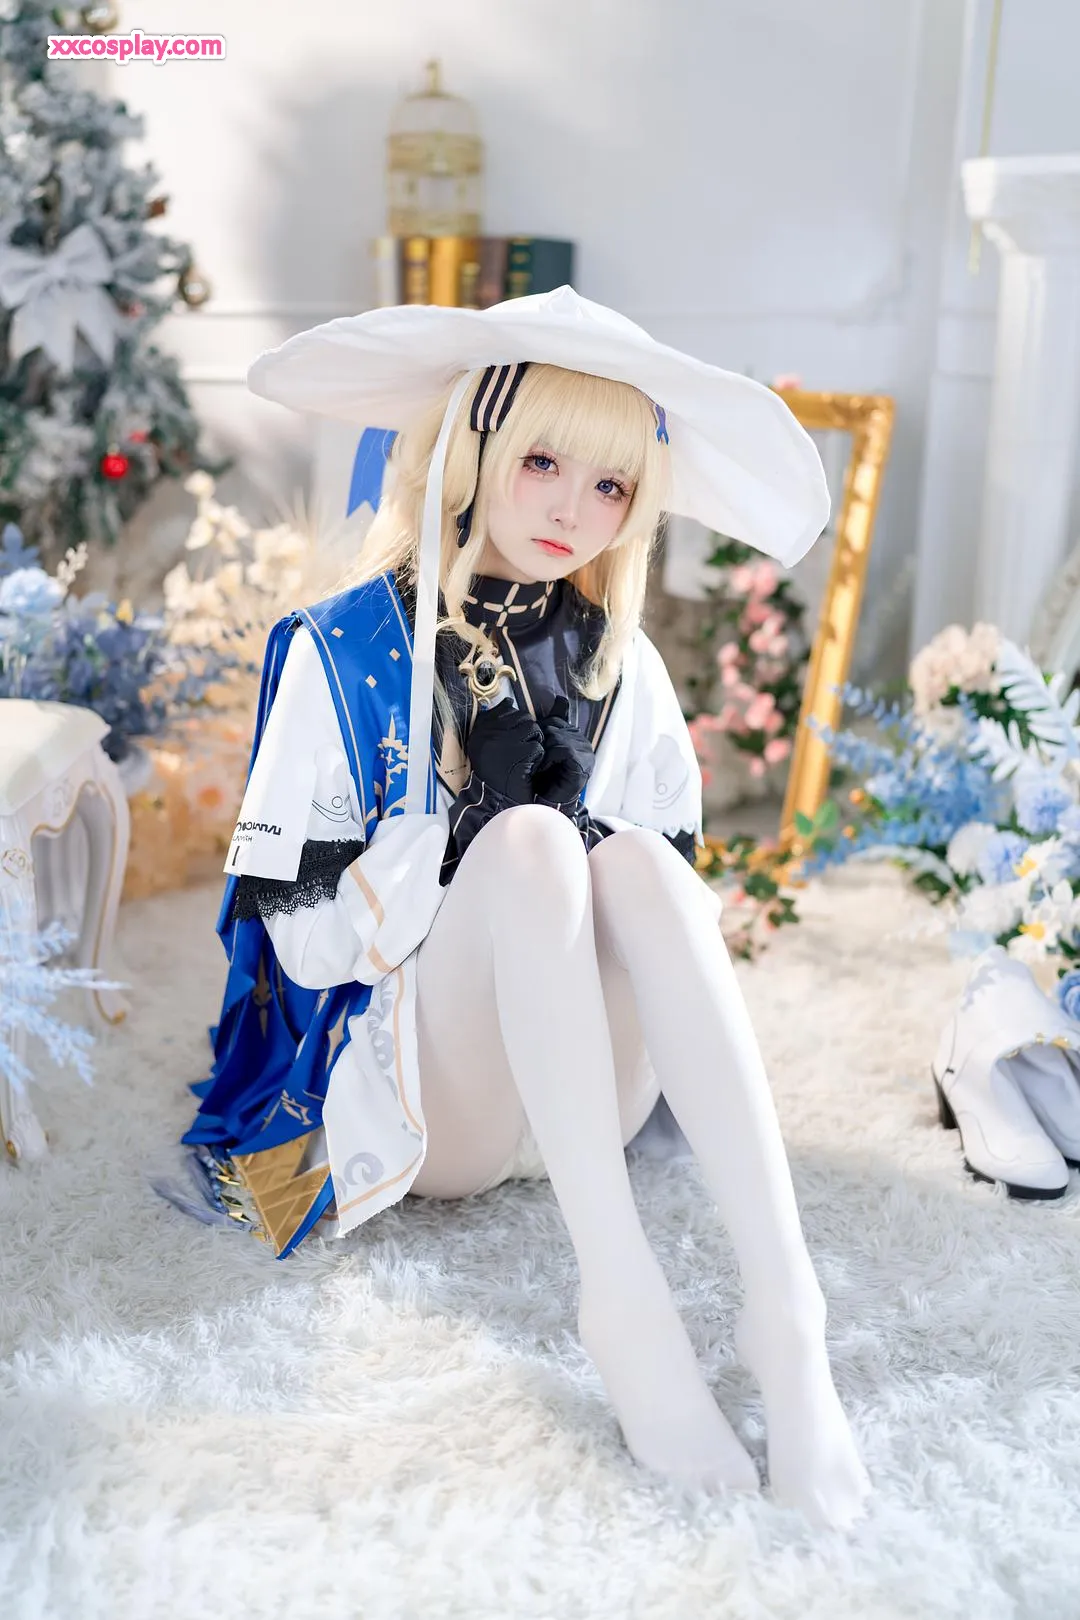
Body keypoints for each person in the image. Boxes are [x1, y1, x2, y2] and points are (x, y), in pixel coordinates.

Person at [170, 288, 871, 1529]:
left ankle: (788, 1311)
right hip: (440, 1108)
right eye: (542, 462)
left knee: (638, 864)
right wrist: (442, 859)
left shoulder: (619, 657)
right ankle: (625, 1303)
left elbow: (666, 913)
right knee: (536, 843)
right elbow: (297, 937)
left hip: (594, 1096)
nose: (570, 509)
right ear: (474, 451)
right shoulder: (343, 648)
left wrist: (579, 847)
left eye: (609, 485)